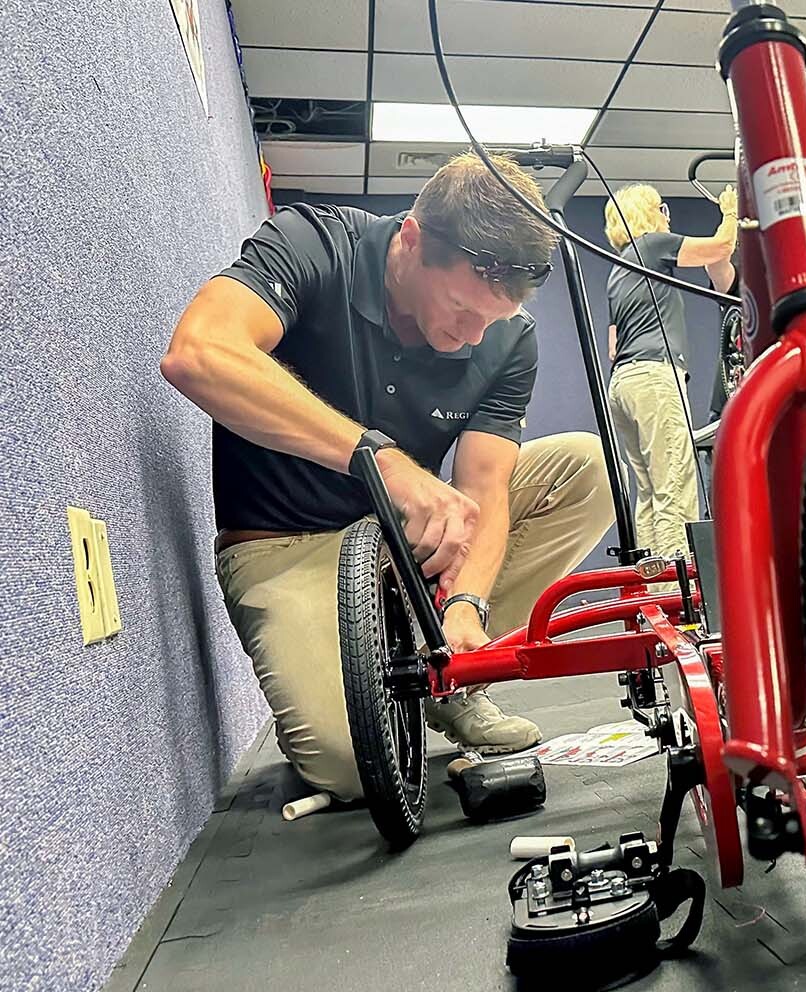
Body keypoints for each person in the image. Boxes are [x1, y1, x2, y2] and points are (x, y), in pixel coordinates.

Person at [162, 153, 615, 803]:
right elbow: (197, 352)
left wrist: (467, 604)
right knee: (352, 767)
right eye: (461, 307)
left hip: (405, 543)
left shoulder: (506, 338)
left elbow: (486, 489)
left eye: (490, 320)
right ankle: (391, 678)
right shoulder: (313, 245)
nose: (471, 337)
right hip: (286, 545)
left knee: (588, 468)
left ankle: (454, 676)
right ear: (410, 238)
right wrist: (378, 456)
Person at [604, 183, 737, 565]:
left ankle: (651, 581)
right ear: (651, 213)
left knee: (648, 490)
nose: (667, 215)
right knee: (675, 484)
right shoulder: (651, 244)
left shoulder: (620, 268)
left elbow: (612, 346)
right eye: (663, 208)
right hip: (653, 375)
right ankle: (681, 583)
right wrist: (729, 211)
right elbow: (720, 247)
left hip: (623, 383)